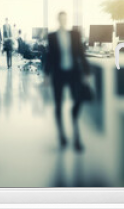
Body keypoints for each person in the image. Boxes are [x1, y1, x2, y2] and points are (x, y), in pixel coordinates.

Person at [44, 11, 91, 152]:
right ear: (58, 20)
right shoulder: (51, 36)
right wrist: (46, 75)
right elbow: (50, 56)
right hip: (58, 74)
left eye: (65, 19)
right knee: (58, 103)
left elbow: (81, 53)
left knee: (78, 100)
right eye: (61, 19)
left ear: (67, 20)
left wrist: (86, 72)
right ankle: (62, 135)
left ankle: (75, 128)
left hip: (73, 73)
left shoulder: (74, 34)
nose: (63, 21)